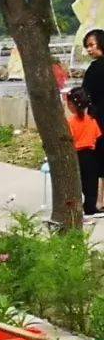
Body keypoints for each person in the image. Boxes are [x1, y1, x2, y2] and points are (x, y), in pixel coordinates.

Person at [66, 87, 102, 217]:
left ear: (71, 105)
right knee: (91, 183)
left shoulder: (70, 122)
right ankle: (90, 207)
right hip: (91, 154)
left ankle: (76, 208)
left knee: (78, 181)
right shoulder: (91, 120)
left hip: (76, 155)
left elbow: (69, 138)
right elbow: (97, 136)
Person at [81, 29, 104, 207]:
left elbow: (85, 95)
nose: (89, 49)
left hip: (99, 120)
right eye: (87, 46)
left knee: (97, 161)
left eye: (91, 45)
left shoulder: (95, 69)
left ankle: (97, 201)